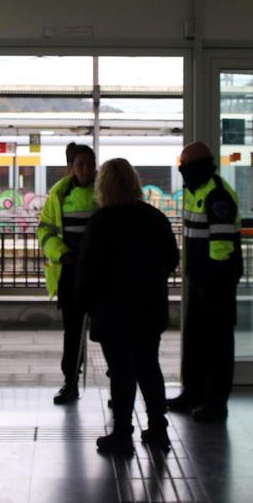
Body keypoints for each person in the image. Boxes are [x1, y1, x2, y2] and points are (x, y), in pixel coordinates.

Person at [76, 159, 179, 456]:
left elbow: (88, 270)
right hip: (149, 307)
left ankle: (122, 434)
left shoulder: (101, 223)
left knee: (121, 372)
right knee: (149, 367)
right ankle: (157, 427)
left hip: (113, 313)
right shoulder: (155, 218)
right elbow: (172, 259)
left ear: (103, 187)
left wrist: (84, 302)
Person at [169, 142, 244, 423]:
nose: (183, 171)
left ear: (200, 165)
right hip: (200, 281)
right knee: (195, 340)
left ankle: (216, 402)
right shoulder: (195, 192)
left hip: (217, 282)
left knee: (218, 343)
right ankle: (194, 393)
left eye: (186, 166)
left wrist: (210, 281)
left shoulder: (217, 195)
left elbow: (221, 246)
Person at [37, 142, 97, 405]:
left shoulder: (105, 192)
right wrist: (63, 254)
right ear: (70, 168)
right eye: (80, 164)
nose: (86, 169)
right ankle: (70, 382)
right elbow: (45, 231)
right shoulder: (57, 196)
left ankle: (118, 383)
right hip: (70, 274)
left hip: (101, 275)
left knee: (108, 330)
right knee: (72, 332)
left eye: (90, 163)